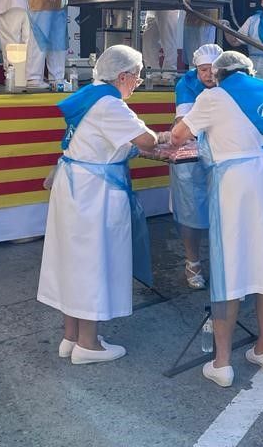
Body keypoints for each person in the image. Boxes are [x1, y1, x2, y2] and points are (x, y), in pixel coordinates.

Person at [162, 51, 263, 388]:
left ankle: (222, 362)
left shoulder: (213, 96)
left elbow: (180, 135)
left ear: (220, 74)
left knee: (230, 267)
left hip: (237, 184)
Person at [36, 45, 159, 365]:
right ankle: (88, 345)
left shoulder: (91, 94)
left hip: (75, 184)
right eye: (138, 76)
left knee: (71, 259)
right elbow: (147, 141)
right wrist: (171, 140)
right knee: (92, 261)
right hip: (95, 192)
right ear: (123, 76)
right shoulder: (111, 105)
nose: (139, 82)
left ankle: (71, 336)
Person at [168, 43, 223, 289]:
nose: (209, 75)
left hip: (223, 151)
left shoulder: (231, 80)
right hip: (191, 153)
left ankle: (226, 262)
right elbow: (184, 122)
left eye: (213, 69)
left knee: (224, 211)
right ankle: (193, 262)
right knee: (191, 210)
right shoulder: (186, 84)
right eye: (203, 70)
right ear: (196, 70)